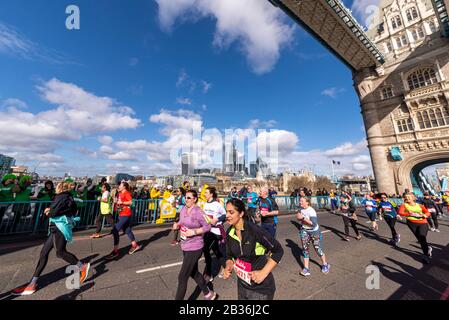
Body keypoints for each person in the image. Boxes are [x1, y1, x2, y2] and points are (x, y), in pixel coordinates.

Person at [12, 181, 90, 296]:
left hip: (59, 228)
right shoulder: (69, 197)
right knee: (44, 253)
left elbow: (53, 213)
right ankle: (32, 283)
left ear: (60, 187)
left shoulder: (60, 196)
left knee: (60, 252)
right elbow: (72, 211)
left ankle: (82, 266)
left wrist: (47, 211)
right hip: (58, 228)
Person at [222, 198, 284, 300]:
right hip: (242, 286)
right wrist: (228, 266)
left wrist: (263, 273)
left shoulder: (254, 230)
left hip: (261, 288)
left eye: (231, 212)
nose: (227, 215)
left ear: (241, 213)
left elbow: (278, 251)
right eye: (226, 212)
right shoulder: (229, 232)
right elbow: (229, 255)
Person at [172, 189, 218, 300]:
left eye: (188, 198)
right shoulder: (183, 209)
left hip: (195, 247)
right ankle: (208, 293)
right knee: (194, 272)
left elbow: (207, 226)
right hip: (185, 245)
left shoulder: (199, 211)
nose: (186, 199)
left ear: (195, 199)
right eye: (185, 197)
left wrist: (194, 232)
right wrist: (177, 225)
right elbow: (181, 222)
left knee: (182, 276)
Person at [106, 182, 141, 259]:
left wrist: (122, 202)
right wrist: (116, 202)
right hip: (122, 213)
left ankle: (115, 251)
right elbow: (119, 202)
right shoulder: (120, 193)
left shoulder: (126, 193)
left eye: (120, 185)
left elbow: (131, 202)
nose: (119, 186)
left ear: (124, 187)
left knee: (115, 231)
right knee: (127, 230)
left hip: (125, 214)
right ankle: (135, 245)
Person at [297, 197, 330, 276]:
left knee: (318, 249)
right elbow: (299, 218)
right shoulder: (300, 209)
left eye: (302, 201)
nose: (300, 202)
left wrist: (303, 218)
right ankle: (306, 269)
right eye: (300, 201)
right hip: (304, 231)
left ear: (307, 202)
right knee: (305, 250)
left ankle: (325, 264)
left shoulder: (311, 211)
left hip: (314, 232)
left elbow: (313, 224)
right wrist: (299, 218)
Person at [398, 193, 432, 263]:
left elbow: (427, 212)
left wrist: (425, 215)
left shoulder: (420, 205)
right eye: (406, 197)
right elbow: (400, 212)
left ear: (413, 198)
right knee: (420, 239)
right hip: (411, 223)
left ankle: (425, 256)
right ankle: (427, 248)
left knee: (422, 238)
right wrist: (408, 213)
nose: (407, 198)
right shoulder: (404, 205)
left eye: (408, 197)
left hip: (423, 223)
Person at [202, 187, 227, 282]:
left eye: (206, 192)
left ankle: (209, 274)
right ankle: (224, 267)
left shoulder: (217, 204)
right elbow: (205, 217)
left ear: (211, 194)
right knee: (216, 252)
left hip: (216, 232)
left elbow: (224, 215)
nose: (204, 194)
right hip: (207, 231)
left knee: (207, 251)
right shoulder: (205, 204)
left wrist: (217, 219)